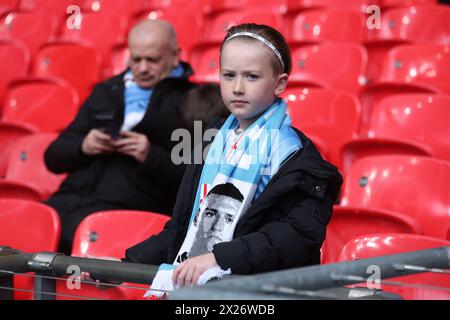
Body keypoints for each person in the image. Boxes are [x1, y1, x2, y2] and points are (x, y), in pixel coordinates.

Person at [123, 23, 343, 296]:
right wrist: (127, 264)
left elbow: (296, 237)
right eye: (229, 75)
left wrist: (220, 258)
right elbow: (183, 228)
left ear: (280, 83)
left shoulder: (297, 159)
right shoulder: (209, 140)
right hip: (195, 292)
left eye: (251, 77)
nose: (237, 88)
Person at [44, 19, 196, 255]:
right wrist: (84, 146)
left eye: (152, 60)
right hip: (68, 202)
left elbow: (194, 180)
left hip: (129, 215)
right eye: (136, 59)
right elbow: (53, 158)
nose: (143, 68)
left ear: (175, 56)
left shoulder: (193, 102)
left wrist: (149, 154)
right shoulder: (106, 91)